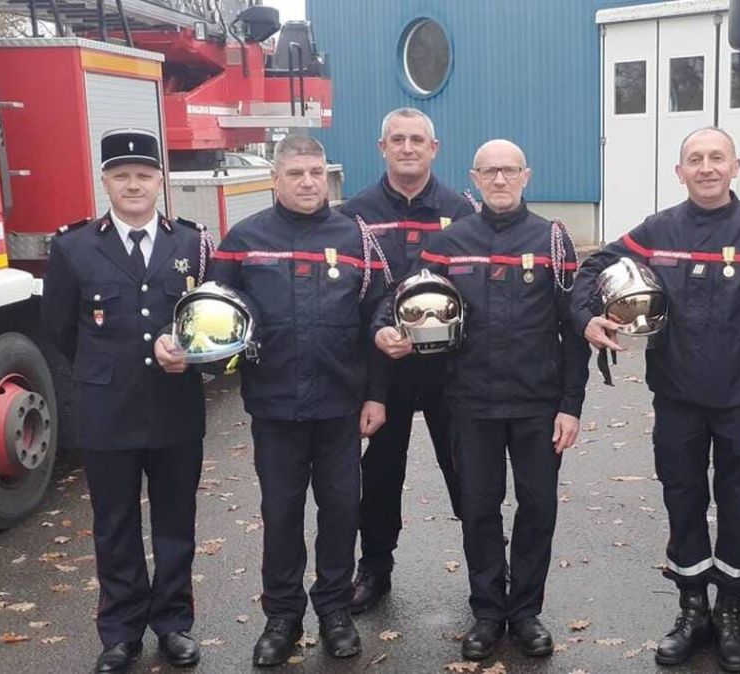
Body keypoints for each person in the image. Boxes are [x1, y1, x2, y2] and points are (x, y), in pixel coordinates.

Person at [572, 126, 740, 673]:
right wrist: (589, 318)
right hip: (677, 399)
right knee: (683, 499)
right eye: (694, 159)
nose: (706, 167)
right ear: (679, 172)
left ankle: (731, 615)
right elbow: (591, 268)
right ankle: (693, 609)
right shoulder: (659, 230)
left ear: (734, 165)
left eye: (715, 158)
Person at [375, 139, 589, 662]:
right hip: (470, 404)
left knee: (538, 507)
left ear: (526, 175)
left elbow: (575, 324)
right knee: (479, 508)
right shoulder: (450, 242)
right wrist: (384, 326)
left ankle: (527, 612)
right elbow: (404, 293)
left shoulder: (552, 239)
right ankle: (489, 611)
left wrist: (571, 404)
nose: (499, 180)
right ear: (473, 177)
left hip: (538, 403)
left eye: (509, 171)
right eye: (489, 171)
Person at [209, 134, 387, 667]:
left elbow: (378, 317)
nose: (308, 182)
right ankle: (282, 617)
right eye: (295, 173)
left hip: (339, 407)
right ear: (274, 179)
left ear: (326, 177)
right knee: (281, 514)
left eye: (316, 172)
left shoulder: (357, 238)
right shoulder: (242, 240)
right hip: (275, 407)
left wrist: (376, 394)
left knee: (339, 513)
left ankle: (334, 611)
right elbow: (215, 317)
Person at [41, 128, 209, 673]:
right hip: (107, 412)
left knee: (175, 523)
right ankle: (120, 633)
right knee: (114, 526)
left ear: (160, 181)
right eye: (122, 176)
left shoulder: (192, 243)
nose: (133, 185)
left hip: (175, 410)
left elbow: (207, 322)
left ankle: (174, 624)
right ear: (106, 181)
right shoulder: (72, 247)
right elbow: (61, 329)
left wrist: (192, 357)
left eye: (143, 175)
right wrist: (104, 372)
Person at [339, 108, 474, 613]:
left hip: (449, 371)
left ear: (434, 149)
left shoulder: (462, 211)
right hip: (382, 371)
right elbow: (350, 294)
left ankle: (485, 567)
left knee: (466, 470)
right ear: (382, 147)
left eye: (418, 139)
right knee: (379, 475)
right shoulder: (355, 214)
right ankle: (374, 568)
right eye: (398, 139)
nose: (408, 147)